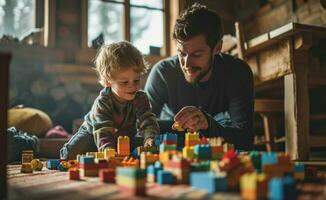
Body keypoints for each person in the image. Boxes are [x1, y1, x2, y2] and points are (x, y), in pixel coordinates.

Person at [144, 3, 254, 150]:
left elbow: (245, 139)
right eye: (182, 53)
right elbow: (141, 126)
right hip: (172, 147)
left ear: (217, 48)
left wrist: (208, 124)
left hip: (218, 152)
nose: (187, 63)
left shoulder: (237, 72)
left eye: (196, 54)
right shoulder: (162, 73)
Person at [60, 41, 159, 159]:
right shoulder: (103, 102)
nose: (132, 86)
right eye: (124, 82)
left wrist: (149, 138)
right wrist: (108, 151)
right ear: (108, 81)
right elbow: (103, 130)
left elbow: (148, 121)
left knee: (145, 148)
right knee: (71, 154)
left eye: (136, 80)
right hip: (93, 133)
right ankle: (76, 149)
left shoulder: (141, 98)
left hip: (124, 137)